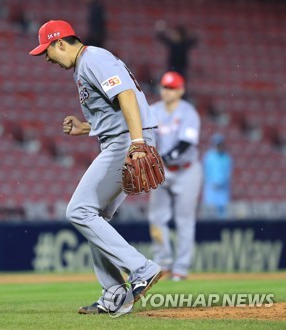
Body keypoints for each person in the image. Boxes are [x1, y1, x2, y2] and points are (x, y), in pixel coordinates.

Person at [29, 20, 162, 314]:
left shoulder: (93, 58)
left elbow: (126, 94)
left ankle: (141, 268)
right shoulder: (86, 64)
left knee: (78, 210)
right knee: (95, 217)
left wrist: (138, 142)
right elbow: (114, 110)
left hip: (126, 141)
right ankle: (114, 295)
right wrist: (86, 128)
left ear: (60, 43)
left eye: (47, 52)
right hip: (122, 136)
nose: (48, 59)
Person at [147, 71, 202, 282]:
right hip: (162, 172)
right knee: (156, 218)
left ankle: (181, 268)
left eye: (171, 88)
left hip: (186, 170)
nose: (166, 91)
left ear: (181, 91)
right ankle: (163, 264)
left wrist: (163, 157)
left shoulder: (189, 113)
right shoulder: (153, 111)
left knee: (184, 220)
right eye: (164, 87)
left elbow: (185, 143)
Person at [202, 133, 233, 219]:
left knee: (223, 214)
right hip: (211, 189)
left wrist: (222, 182)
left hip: (223, 190)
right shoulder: (209, 157)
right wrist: (211, 182)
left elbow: (228, 173)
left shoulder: (227, 157)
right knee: (209, 213)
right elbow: (206, 171)